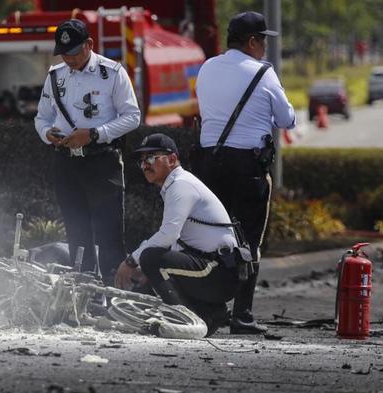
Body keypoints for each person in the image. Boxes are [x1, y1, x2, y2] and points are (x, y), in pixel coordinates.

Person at [193, 11, 296, 334]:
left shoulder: (207, 67)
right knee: (248, 240)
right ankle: (242, 314)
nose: (265, 47)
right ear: (251, 42)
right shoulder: (263, 73)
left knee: (212, 237)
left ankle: (209, 310)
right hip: (247, 166)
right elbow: (287, 119)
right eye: (263, 40)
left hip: (208, 164)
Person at [34, 19, 141, 283]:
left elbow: (132, 117)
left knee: (109, 234)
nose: (68, 59)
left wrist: (94, 134)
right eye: (63, 53)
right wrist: (48, 134)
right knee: (77, 231)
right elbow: (41, 118)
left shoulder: (112, 73)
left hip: (102, 162)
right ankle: (83, 294)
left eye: (73, 52)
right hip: (66, 163)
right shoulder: (55, 75)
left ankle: (115, 297)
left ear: (89, 45)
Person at [114, 133, 248, 337]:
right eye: (142, 160)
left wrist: (132, 261)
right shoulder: (175, 184)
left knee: (150, 257)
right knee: (151, 266)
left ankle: (187, 323)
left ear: (172, 159)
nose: (144, 165)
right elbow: (176, 242)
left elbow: (167, 236)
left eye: (151, 158)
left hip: (219, 271)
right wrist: (147, 272)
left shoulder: (180, 185)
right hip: (214, 269)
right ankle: (210, 314)